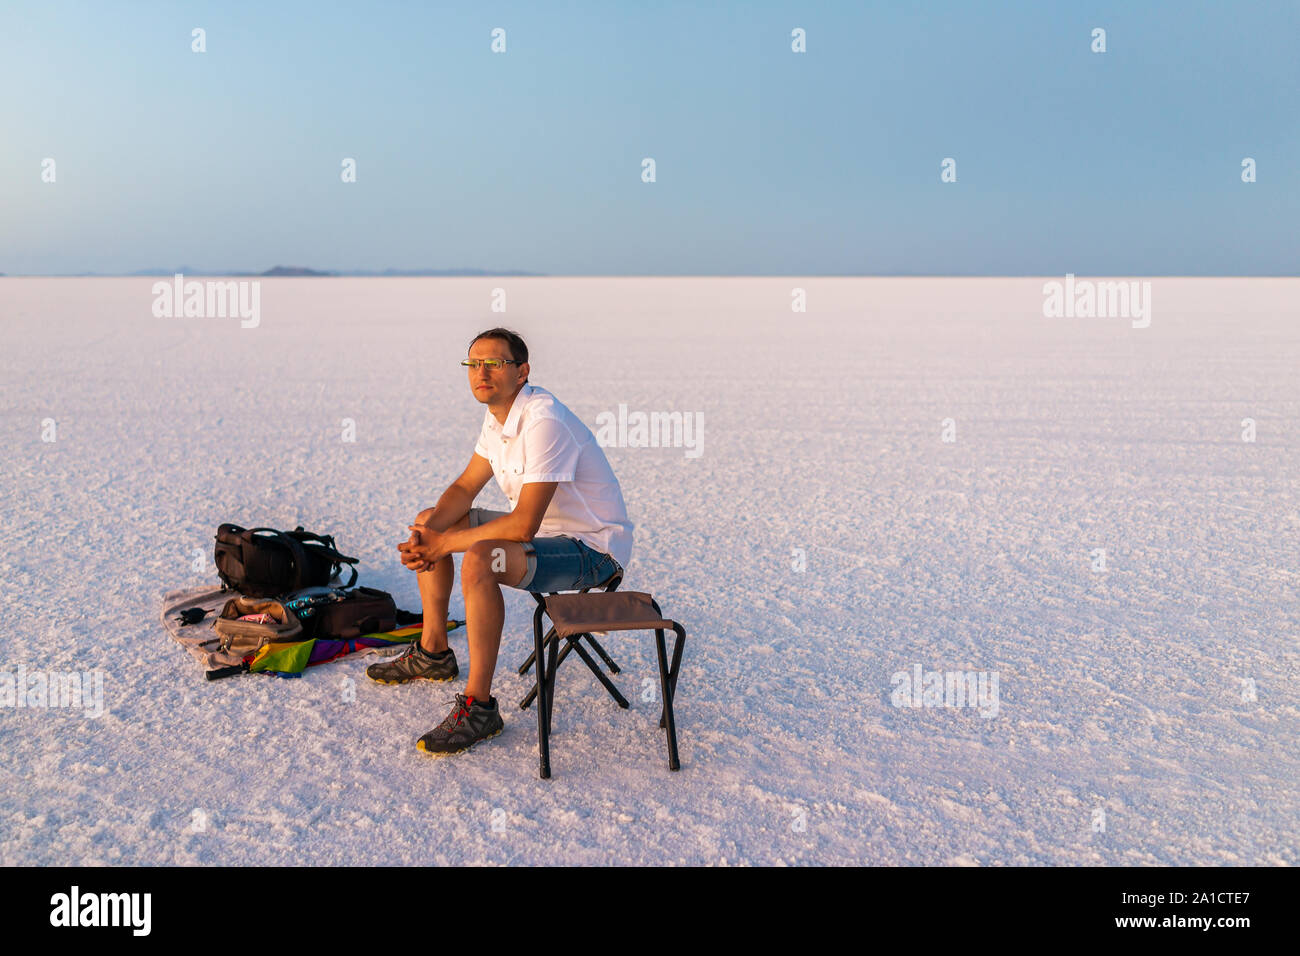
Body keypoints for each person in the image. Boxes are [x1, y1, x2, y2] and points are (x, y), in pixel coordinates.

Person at [369, 327, 634, 757]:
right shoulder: (497, 418)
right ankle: (434, 653)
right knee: (432, 520)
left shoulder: (543, 420)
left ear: (522, 371)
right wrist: (428, 534)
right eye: (474, 364)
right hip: (546, 537)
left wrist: (443, 546)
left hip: (591, 549)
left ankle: (480, 707)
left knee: (480, 559)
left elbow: (522, 526)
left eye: (495, 363)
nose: (482, 372)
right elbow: (464, 488)